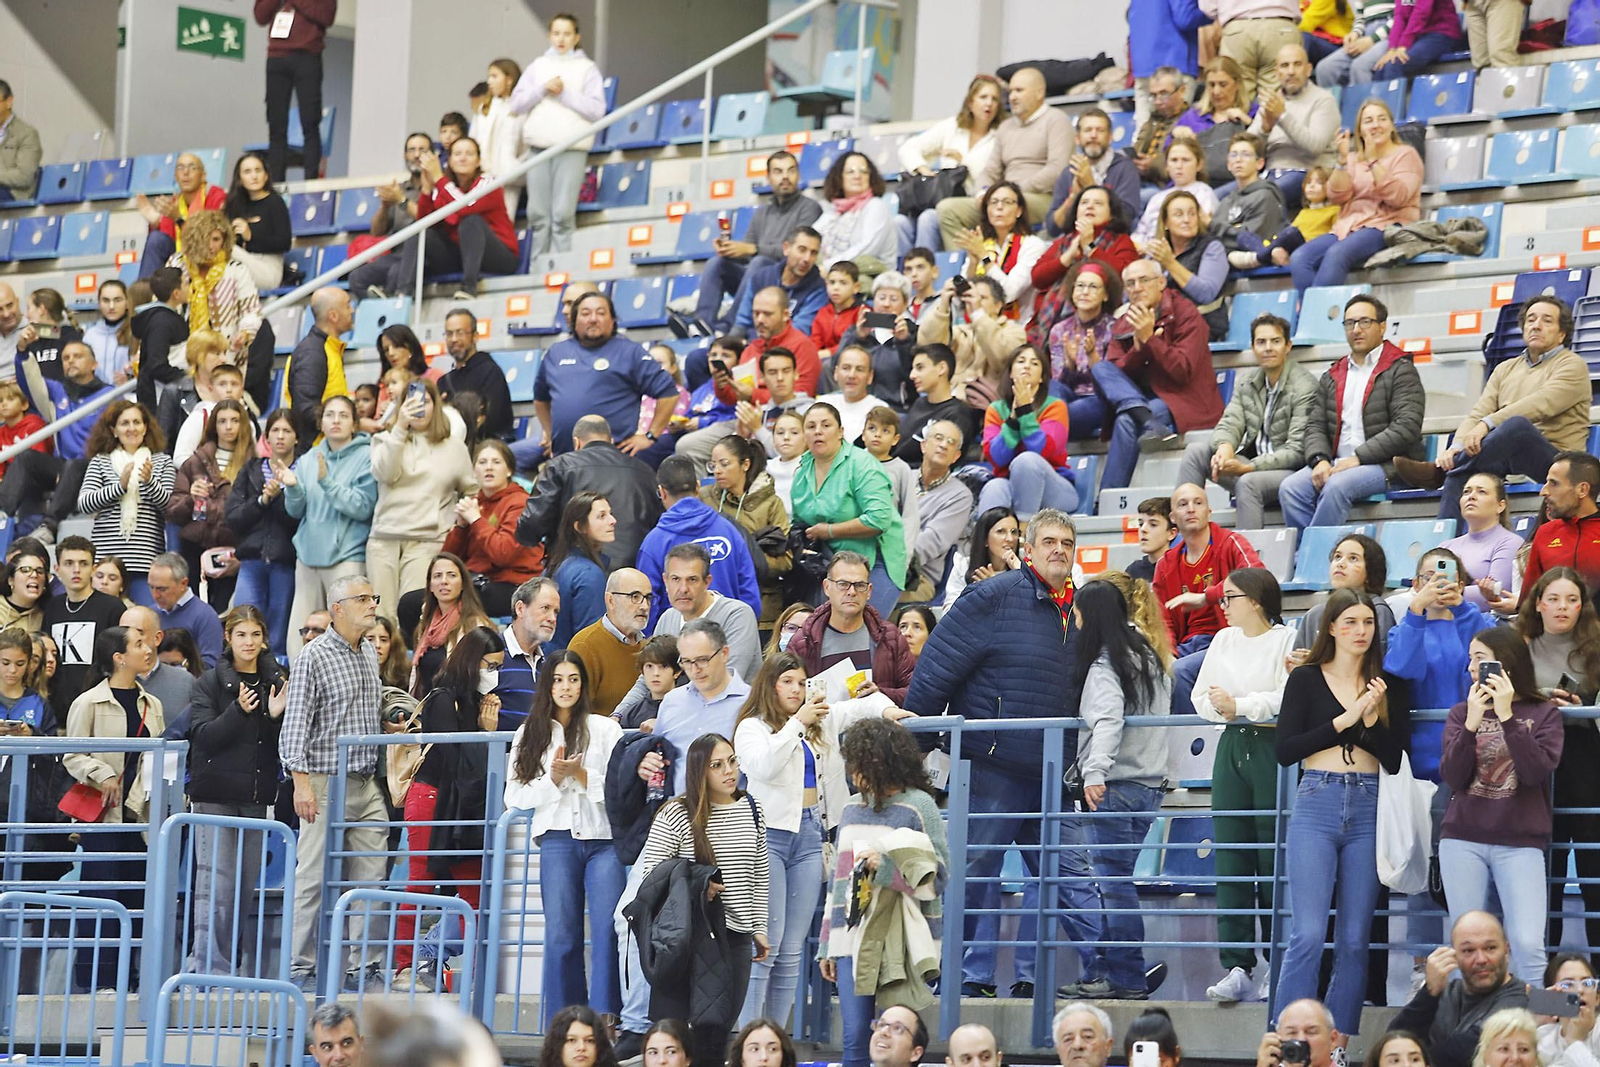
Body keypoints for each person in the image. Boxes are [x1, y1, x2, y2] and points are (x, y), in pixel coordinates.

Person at [904, 509, 1084, 996]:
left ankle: (1043, 978)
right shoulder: (992, 597)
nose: (1058, 550)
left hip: (1050, 772)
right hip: (992, 766)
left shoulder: (1078, 609)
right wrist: (912, 752)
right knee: (973, 877)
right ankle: (948, 978)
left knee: (1056, 880)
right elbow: (936, 669)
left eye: (1067, 543)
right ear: (1028, 549)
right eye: (1049, 541)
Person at [733, 652, 908, 1027]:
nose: (796, 689)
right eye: (787, 682)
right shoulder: (752, 727)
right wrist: (797, 723)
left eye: (800, 682)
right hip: (769, 839)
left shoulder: (821, 721)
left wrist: (889, 710)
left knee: (793, 951)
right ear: (770, 686)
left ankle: (776, 1038)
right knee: (768, 945)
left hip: (812, 833)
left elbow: (864, 705)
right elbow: (763, 765)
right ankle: (749, 1039)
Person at [1275, 587, 1411, 1037]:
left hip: (1370, 805)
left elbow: (1394, 759)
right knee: (1309, 934)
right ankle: (1287, 1040)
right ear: (1330, 626)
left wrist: (1370, 723)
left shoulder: (1387, 684)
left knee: (1354, 940)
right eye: (1350, 622)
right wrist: (1345, 720)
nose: (1360, 631)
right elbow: (1287, 750)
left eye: (1367, 623)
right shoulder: (1306, 678)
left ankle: (1337, 1044)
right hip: (1318, 798)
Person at [279, 573, 395, 992]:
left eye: (373, 596)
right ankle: (298, 966)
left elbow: (363, 710)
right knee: (311, 876)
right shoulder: (312, 655)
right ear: (337, 608)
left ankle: (364, 966)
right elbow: (294, 726)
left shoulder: (368, 652)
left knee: (371, 876)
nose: (372, 604)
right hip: (325, 779)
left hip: (366, 781)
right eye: (362, 598)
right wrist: (301, 783)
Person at [1063, 580, 1172, 1000]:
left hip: (1113, 786)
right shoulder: (1149, 653)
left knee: (1113, 885)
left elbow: (1107, 722)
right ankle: (1106, 973)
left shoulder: (1105, 663)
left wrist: (1094, 773)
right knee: (1117, 881)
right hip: (1149, 787)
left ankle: (1126, 977)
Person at [817, 718, 947, 1067]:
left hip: (902, 941)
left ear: (878, 761)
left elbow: (939, 879)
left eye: (857, 762)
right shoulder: (849, 808)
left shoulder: (920, 805)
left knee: (898, 1040)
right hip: (852, 942)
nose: (851, 771)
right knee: (856, 1039)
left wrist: (886, 869)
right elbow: (839, 884)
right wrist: (827, 945)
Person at [1192, 567, 1295, 1002]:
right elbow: (1201, 697)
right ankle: (1237, 963)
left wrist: (1241, 704)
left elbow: (1287, 694)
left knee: (1273, 856)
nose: (1223, 605)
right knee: (1231, 854)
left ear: (1255, 600)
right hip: (1231, 742)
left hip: (1272, 744)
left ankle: (1278, 962)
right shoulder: (1222, 640)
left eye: (1229, 597)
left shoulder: (1285, 639)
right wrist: (1227, 711)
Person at [1437, 627, 1561, 983]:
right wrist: (1473, 723)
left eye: (1479, 659)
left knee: (1527, 943)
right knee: (1467, 945)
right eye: (1471, 659)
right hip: (1462, 838)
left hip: (1521, 840)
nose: (1471, 668)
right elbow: (1454, 777)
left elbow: (1535, 772)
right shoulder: (1461, 713)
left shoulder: (1544, 712)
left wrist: (1507, 717)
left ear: (1504, 663)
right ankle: (1468, 1034)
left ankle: (1538, 1034)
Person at [387, 625, 507, 991]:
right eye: (490, 664)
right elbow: (456, 756)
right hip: (431, 798)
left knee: (475, 888)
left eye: (499, 667)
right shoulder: (442, 696)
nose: (494, 674)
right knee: (421, 880)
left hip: (465, 805)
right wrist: (486, 733)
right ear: (472, 662)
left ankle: (476, 972)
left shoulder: (478, 701)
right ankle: (405, 967)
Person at [1397, 297, 1589, 524]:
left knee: (1517, 425)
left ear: (1561, 334)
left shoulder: (1572, 365)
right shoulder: (1505, 368)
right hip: (1510, 456)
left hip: (1558, 460)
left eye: (1547, 321)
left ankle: (1440, 472)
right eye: (1530, 320)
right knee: (1463, 475)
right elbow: (1479, 412)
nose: (1536, 325)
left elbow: (1539, 404)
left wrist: (1486, 425)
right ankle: (1445, 551)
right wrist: (1456, 447)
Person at [183, 603, 286, 973]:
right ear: (228, 638)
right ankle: (208, 965)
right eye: (241, 634)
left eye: (255, 635)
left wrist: (275, 719)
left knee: (242, 888)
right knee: (216, 886)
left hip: (256, 796)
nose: (249, 641)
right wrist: (238, 710)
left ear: (263, 639)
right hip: (214, 795)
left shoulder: (278, 680)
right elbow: (204, 739)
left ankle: (227, 963)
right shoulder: (208, 682)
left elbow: (278, 745)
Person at [61, 625, 163, 990]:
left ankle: (129, 981)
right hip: (103, 818)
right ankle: (93, 983)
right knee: (101, 901)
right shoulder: (88, 702)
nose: (147, 648)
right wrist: (101, 773)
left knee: (137, 899)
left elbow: (159, 757)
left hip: (139, 818)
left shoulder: (152, 704)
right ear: (119, 657)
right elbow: (72, 755)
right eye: (138, 644)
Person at [1279, 295, 1425, 528]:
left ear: (1382, 326)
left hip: (1388, 465)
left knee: (1336, 486)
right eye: (1350, 323)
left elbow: (1406, 427)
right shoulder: (1333, 374)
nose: (1356, 329)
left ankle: (1314, 558)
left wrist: (1359, 458)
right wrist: (1320, 460)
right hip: (1338, 463)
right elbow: (1315, 425)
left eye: (1365, 322)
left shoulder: (1401, 370)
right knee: (1291, 488)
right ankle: (1306, 555)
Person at [1516, 569, 1600, 947]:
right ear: (1538, 603)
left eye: (1571, 600)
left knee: (1593, 874)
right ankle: (1543, 981)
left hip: (1587, 763)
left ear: (1583, 606)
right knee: (1539, 877)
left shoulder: (1597, 645)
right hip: (1536, 763)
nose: (1562, 608)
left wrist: (1586, 707)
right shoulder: (1520, 645)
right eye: (1553, 599)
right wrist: (1538, 702)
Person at [1176, 312, 1319, 528]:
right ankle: (1181, 537)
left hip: (1290, 474)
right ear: (1252, 347)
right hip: (1252, 466)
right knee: (1196, 452)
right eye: (1261, 342)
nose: (1268, 348)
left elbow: (1296, 452)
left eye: (1275, 341)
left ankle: (1246, 558)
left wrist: (1249, 467)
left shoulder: (1304, 386)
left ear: (1288, 346)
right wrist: (1224, 448)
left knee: (1248, 483)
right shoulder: (1248, 382)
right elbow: (1229, 423)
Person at [1097, 260, 1222, 491]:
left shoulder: (1186, 314)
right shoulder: (1125, 322)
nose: (1137, 288)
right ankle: (1144, 418)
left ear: (1161, 282)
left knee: (1126, 419)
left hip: (1182, 399)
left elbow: (1182, 371)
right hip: (1142, 400)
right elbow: (1117, 375)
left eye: (1144, 280)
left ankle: (1106, 498)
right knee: (1100, 369)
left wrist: (1151, 340)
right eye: (1130, 283)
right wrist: (1138, 349)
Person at [1290, 100, 1422, 295]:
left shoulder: (1406, 155)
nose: (1375, 125)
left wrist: (1372, 160)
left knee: (1337, 254)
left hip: (1387, 225)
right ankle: (1317, 316)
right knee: (1300, 257)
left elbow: (1398, 198)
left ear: (1392, 126)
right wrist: (1342, 162)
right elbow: (1337, 196)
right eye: (1368, 121)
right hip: (1347, 227)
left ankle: (1313, 320)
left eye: (1382, 119)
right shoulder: (1352, 158)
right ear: (1360, 130)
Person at [368, 377, 476, 612]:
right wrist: (399, 428)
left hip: (428, 540)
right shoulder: (383, 439)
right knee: (380, 617)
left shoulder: (455, 447)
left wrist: (456, 523)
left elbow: (471, 491)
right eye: (411, 401)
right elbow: (385, 473)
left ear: (436, 407)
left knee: (414, 613)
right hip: (383, 538)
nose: (418, 407)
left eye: (425, 401)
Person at [1153, 483, 1264, 711]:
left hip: (1231, 639)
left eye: (1198, 503)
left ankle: (1185, 739)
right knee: (1141, 668)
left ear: (1209, 512)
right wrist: (1168, 653)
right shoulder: (1166, 564)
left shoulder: (1230, 543)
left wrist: (1207, 597)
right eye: (1183, 505)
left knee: (1181, 671)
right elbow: (1161, 620)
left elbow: (1257, 576)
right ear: (1173, 517)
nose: (1191, 509)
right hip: (1187, 646)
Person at [1385, 546, 1494, 779]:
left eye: (1446, 578)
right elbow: (1402, 670)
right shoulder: (1401, 631)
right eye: (1429, 578)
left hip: (1480, 751)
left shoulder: (1480, 621)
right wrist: (1415, 612)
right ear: (1415, 585)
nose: (1437, 584)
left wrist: (1462, 609)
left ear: (1461, 587)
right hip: (1421, 759)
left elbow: (1490, 658)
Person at [792, 403, 908, 618]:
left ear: (841, 432)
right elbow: (799, 521)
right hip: (828, 563)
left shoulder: (862, 464)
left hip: (876, 560)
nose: (818, 431)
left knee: (860, 628)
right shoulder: (802, 470)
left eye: (826, 425)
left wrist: (827, 531)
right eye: (811, 426)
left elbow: (878, 520)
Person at [936, 67, 1074, 246]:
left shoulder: (1057, 120)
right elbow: (990, 170)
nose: (1012, 97)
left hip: (1041, 198)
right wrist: (983, 193)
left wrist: (1013, 192)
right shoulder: (1006, 127)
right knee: (947, 210)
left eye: (1019, 90)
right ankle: (966, 268)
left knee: (1005, 204)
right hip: (1005, 198)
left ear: (1039, 92)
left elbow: (1057, 170)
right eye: (1010, 92)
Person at [282, 396, 376, 655]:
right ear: (321, 422)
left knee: (348, 632)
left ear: (354, 424)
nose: (336, 420)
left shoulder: (366, 455)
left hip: (346, 557)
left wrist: (328, 482)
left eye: (343, 415)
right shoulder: (311, 457)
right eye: (330, 415)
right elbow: (296, 511)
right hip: (308, 559)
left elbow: (362, 507)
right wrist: (292, 489)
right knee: (299, 634)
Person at [536, 292, 682, 458]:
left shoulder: (630, 352)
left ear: (612, 321)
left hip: (612, 459)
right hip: (565, 457)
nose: (593, 319)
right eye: (585, 313)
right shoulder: (556, 352)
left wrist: (650, 435)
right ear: (574, 320)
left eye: (601, 313)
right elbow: (540, 399)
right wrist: (549, 433)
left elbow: (669, 393)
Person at [508, 12, 607, 256]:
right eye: (556, 33)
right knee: (538, 214)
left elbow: (597, 110)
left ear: (576, 37)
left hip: (572, 146)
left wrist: (564, 94)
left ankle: (563, 269)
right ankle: (537, 268)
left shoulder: (587, 68)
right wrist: (542, 89)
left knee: (563, 213)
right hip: (538, 145)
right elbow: (516, 104)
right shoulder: (537, 66)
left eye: (567, 33)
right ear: (549, 35)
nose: (561, 39)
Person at [698, 150, 824, 332]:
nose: (785, 177)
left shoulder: (810, 208)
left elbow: (799, 253)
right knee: (717, 263)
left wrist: (752, 249)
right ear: (768, 178)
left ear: (798, 175)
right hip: (754, 280)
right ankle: (703, 326)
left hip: (784, 281)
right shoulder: (762, 212)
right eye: (778, 172)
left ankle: (730, 326)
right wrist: (730, 250)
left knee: (759, 262)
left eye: (791, 171)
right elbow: (746, 251)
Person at [519, 414, 661, 571]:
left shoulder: (559, 466)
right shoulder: (645, 471)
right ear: (611, 441)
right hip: (635, 574)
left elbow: (530, 528)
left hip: (575, 573)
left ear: (576, 443)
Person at [3, 341, 112, 542]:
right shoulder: (58, 391)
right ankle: (1, 514)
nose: (70, 361)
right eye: (66, 358)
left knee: (74, 464)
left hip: (96, 468)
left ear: (94, 364)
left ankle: (50, 525)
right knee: (26, 456)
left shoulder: (111, 395)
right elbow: (27, 381)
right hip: (63, 467)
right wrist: (22, 353)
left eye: (77, 356)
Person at [1390, 912, 1531, 1067]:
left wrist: (1414, 1059)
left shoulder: (1523, 997)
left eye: (1490, 948)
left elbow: (1468, 1050)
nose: (1481, 959)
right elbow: (1393, 1042)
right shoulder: (1445, 993)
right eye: (1468, 951)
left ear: (1506, 950)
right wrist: (1428, 993)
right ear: (1454, 955)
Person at [637, 456, 761, 627]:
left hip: (677, 647)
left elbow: (646, 608)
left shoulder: (653, 543)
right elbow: (750, 597)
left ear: (662, 492)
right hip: (729, 639)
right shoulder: (729, 531)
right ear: (697, 486)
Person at [388, 137, 519, 299]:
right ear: (449, 160)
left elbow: (466, 206)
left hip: (500, 257)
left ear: (478, 161)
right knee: (418, 230)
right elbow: (426, 221)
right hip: (461, 256)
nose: (463, 158)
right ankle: (402, 295)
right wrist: (427, 191)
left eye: (469, 154)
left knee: (471, 221)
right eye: (457, 154)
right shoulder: (445, 186)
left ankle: (469, 288)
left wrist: (439, 179)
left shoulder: (488, 182)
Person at [165, 210, 270, 410]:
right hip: (183, 353)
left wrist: (246, 333)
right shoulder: (176, 264)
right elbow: (164, 306)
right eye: (207, 239)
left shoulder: (236, 269)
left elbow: (252, 310)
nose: (212, 246)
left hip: (227, 353)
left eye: (217, 239)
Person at [76, 400, 175, 605]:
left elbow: (170, 507)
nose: (131, 428)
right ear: (113, 430)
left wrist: (149, 482)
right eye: (124, 423)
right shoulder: (100, 461)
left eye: (137, 422)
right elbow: (85, 503)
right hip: (107, 564)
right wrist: (119, 486)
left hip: (146, 561)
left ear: (146, 427)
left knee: (146, 620)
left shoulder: (162, 462)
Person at [787, 550, 917, 706]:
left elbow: (915, 692)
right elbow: (785, 697)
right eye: (843, 584)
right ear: (827, 587)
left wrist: (880, 694)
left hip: (878, 727)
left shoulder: (890, 637)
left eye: (860, 585)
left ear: (869, 591)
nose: (851, 592)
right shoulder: (803, 642)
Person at [896, 74, 1004, 253]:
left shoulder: (1001, 134)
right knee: (899, 222)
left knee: (928, 218)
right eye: (983, 97)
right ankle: (904, 276)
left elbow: (992, 177)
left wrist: (962, 161)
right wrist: (923, 169)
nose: (989, 104)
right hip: (939, 198)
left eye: (994, 99)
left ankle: (926, 274)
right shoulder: (952, 126)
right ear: (970, 101)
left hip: (973, 203)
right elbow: (908, 148)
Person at [1030, 187, 1139, 359]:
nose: (1090, 207)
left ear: (1111, 214)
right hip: (1048, 322)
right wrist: (1066, 258)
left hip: (1099, 323)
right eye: (1084, 203)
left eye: (1098, 203)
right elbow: (1037, 278)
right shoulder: (1064, 242)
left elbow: (1125, 275)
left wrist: (1090, 246)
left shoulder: (1122, 241)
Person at [227, 409, 300, 661]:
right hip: (251, 560)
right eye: (275, 431)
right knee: (244, 623)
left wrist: (281, 496)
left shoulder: (303, 469)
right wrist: (262, 500)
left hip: (286, 561)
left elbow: (298, 518)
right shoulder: (251, 469)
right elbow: (233, 516)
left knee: (278, 635)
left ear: (297, 437)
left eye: (287, 431)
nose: (280, 436)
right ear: (266, 437)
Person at [170, 397, 254, 610]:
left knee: (227, 612)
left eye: (234, 420)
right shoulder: (195, 461)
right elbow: (172, 511)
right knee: (191, 610)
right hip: (195, 547)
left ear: (242, 424)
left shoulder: (253, 463)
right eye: (222, 421)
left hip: (233, 548)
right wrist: (191, 498)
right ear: (213, 425)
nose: (228, 427)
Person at [979, 342, 1078, 517]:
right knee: (994, 487)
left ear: (1041, 377)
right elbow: (997, 458)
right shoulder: (996, 409)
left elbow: (1044, 451)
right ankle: (987, 540)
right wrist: (1013, 420)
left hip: (1056, 489)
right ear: (1010, 372)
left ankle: (1025, 532)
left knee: (1027, 460)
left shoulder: (1055, 406)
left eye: (1034, 363)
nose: (1027, 365)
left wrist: (1025, 412)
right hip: (1010, 483)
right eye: (1021, 361)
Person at [701, 435, 791, 625]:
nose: (717, 471)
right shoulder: (704, 498)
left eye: (724, 464)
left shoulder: (771, 504)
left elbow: (786, 560)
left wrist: (742, 559)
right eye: (713, 465)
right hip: (709, 606)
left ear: (745, 464)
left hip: (761, 609)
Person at [1243, 45, 1338, 211]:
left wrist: (1283, 116)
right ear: (1276, 72)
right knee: (1221, 197)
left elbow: (1315, 146)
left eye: (1297, 64)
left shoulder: (1324, 100)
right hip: (1271, 173)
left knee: (1263, 197)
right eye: (1285, 66)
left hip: (1307, 172)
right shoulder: (1271, 100)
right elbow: (1247, 148)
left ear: (1308, 70)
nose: (1291, 71)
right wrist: (1264, 131)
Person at [650, 543, 763, 682]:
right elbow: (646, 679)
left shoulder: (737, 615)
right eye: (675, 579)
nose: (683, 588)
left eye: (692, 580)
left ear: (707, 582)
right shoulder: (667, 619)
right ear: (665, 581)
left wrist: (671, 702)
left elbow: (724, 682)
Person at [41, 536, 128, 718]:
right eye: (69, 563)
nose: (76, 570)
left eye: (83, 563)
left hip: (101, 708)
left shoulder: (113, 607)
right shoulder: (52, 607)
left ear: (93, 569)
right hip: (57, 709)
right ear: (57, 569)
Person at [252, 0, 332, 180]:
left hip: (308, 57)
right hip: (276, 58)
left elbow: (327, 16)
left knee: (310, 123)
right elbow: (260, 15)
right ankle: (276, 184)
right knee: (276, 125)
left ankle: (311, 183)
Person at [919, 276, 1026, 410]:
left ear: (998, 305)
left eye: (982, 298)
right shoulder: (959, 332)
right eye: (970, 296)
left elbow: (1003, 358)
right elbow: (927, 347)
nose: (975, 302)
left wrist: (978, 314)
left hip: (986, 407)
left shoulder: (1014, 331)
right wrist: (943, 305)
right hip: (947, 404)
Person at [952, 182, 1049, 325]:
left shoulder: (1033, 245)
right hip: (978, 324)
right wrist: (973, 262)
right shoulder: (981, 242)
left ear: (1019, 211)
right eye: (993, 202)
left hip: (1017, 327)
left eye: (1007, 202)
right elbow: (962, 296)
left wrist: (984, 257)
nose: (999, 207)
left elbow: (1008, 294)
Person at [567, 567, 654, 716]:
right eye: (635, 596)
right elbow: (573, 714)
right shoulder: (585, 645)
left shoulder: (649, 647)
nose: (644, 606)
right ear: (611, 600)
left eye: (648, 598)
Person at [905, 418, 975, 602]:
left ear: (956, 456)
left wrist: (889, 558)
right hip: (878, 563)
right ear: (923, 445)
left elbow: (932, 541)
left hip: (917, 577)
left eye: (951, 443)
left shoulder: (960, 495)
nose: (944, 445)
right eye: (938, 438)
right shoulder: (903, 477)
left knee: (867, 591)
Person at [1149, 188, 1232, 341]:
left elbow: (1206, 294)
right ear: (1165, 222)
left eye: (1192, 213)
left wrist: (1170, 263)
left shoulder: (1212, 247)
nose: (1187, 219)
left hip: (1201, 326)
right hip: (1164, 325)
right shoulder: (1159, 251)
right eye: (1179, 214)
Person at [410, 552, 493, 697]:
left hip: (460, 709)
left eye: (451, 575)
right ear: (430, 586)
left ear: (463, 584)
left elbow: (486, 678)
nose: (444, 581)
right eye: (437, 576)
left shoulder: (476, 626)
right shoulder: (425, 627)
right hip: (426, 709)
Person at [1228, 167, 1341, 271]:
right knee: (1244, 235)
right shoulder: (1304, 212)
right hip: (1285, 247)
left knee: (1292, 232)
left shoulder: (1335, 210)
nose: (1311, 186)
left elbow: (1333, 237)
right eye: (1309, 182)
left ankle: (1260, 257)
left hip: (1306, 247)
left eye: (1319, 183)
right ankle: (1270, 255)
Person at [1048, 109, 1143, 232]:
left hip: (1111, 242)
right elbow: (1052, 227)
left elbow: (1126, 218)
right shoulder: (1070, 171)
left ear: (1109, 137)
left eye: (1100, 130)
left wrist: (1090, 185)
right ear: (1077, 138)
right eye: (1088, 130)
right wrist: (1073, 197)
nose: (1093, 135)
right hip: (1074, 240)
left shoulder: (1125, 168)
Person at [134, 153, 226, 280]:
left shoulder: (215, 196)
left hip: (207, 255)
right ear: (175, 177)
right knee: (156, 239)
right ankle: (145, 292)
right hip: (180, 258)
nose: (186, 173)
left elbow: (211, 239)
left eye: (192, 168)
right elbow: (168, 238)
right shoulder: (176, 202)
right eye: (180, 168)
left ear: (203, 176)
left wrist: (178, 218)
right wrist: (157, 222)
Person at [284, 287, 355, 449]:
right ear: (333, 316)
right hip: (317, 451)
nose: (352, 310)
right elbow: (306, 410)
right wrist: (353, 422)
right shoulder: (313, 353)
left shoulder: (329, 348)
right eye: (347, 305)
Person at [1440, 476, 1523, 614]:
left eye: (1481, 492)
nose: (1471, 497)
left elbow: (1498, 593)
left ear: (1500, 506)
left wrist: (1440, 593)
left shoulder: (1510, 543)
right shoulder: (1446, 546)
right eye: (1466, 492)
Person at [1525, 452, 1600, 601]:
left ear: (1582, 489)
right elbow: (1530, 604)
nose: (1543, 491)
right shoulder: (1545, 533)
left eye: (1554, 484)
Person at [548, 491, 617, 650]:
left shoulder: (557, 565)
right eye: (601, 516)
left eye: (610, 514)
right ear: (580, 526)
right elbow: (590, 641)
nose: (613, 521)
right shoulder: (589, 574)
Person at [728, 227, 827, 337]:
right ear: (786, 248)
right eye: (802, 250)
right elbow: (742, 323)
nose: (807, 259)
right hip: (752, 345)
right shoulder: (761, 278)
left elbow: (798, 333)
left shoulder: (818, 289)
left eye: (813, 253)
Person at [813, 152, 898, 279]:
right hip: (832, 275)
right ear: (839, 177)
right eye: (850, 171)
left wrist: (827, 267)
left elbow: (867, 249)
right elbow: (810, 238)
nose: (857, 176)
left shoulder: (876, 206)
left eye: (863, 171)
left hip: (870, 277)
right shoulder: (833, 211)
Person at [438, 309, 514, 445]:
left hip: (485, 447)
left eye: (460, 333)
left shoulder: (490, 372)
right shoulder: (443, 382)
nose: (454, 339)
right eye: (449, 334)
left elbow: (492, 421)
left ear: (475, 337)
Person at [1202, 0, 1302, 100]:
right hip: (1282, 26)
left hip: (1237, 29)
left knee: (1238, 96)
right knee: (1276, 99)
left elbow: (1207, 7)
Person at [897, 344, 979, 465]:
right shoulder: (919, 403)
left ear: (942, 368)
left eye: (920, 368)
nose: (912, 375)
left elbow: (943, 464)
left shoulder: (958, 414)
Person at [223, 152, 292, 290]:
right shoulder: (234, 205)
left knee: (225, 250)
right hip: (240, 266)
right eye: (247, 172)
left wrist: (251, 236)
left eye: (258, 170)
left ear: (266, 176)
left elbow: (285, 243)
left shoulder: (275, 202)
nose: (254, 176)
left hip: (268, 268)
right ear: (239, 179)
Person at [1132, 137, 1221, 245]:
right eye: (1174, 160)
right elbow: (1139, 233)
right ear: (1167, 166)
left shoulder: (1204, 193)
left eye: (1185, 160)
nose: (1179, 166)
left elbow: (1199, 233)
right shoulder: (1157, 198)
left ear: (1199, 165)